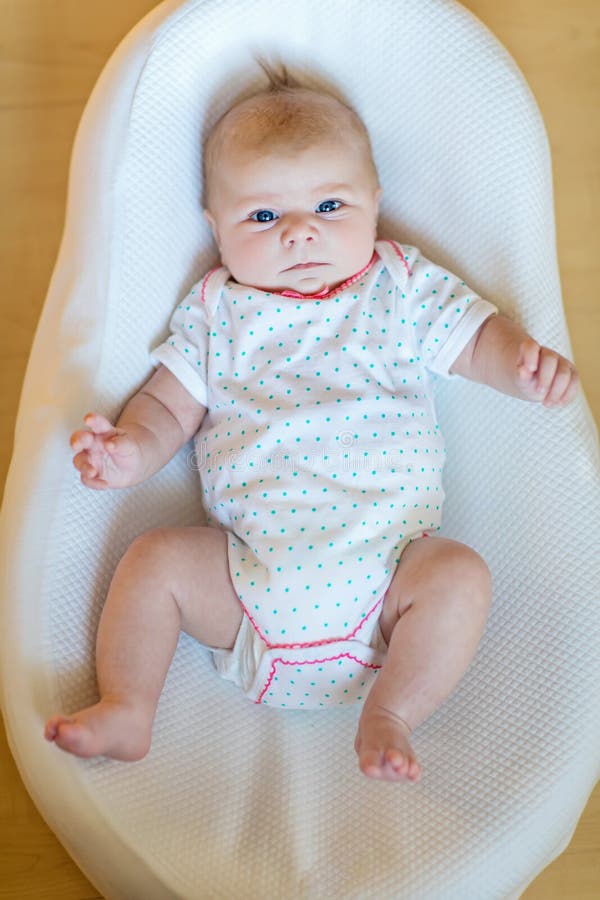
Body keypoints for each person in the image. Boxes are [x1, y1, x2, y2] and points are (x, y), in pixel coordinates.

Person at [44, 68, 579, 782]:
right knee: (153, 563)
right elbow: (168, 406)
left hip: (391, 588)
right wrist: (130, 451)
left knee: (460, 576)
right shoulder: (218, 313)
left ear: (376, 205)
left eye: (329, 205)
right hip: (246, 586)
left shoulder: (399, 285)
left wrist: (521, 365)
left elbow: (477, 339)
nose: (300, 234)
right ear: (215, 227)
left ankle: (392, 711)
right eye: (263, 218)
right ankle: (129, 706)